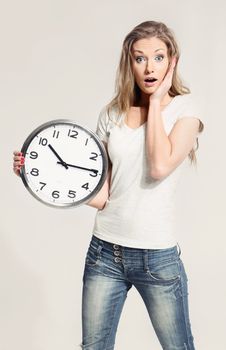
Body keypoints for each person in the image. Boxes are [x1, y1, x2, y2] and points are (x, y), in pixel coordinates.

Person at [13, 20, 204, 350]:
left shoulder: (185, 111)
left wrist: (156, 102)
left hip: (156, 257)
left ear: (173, 60)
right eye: (139, 58)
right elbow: (102, 195)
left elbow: (159, 167)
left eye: (159, 57)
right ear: (129, 62)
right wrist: (37, 173)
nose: (149, 67)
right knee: (94, 347)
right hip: (105, 253)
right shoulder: (111, 114)